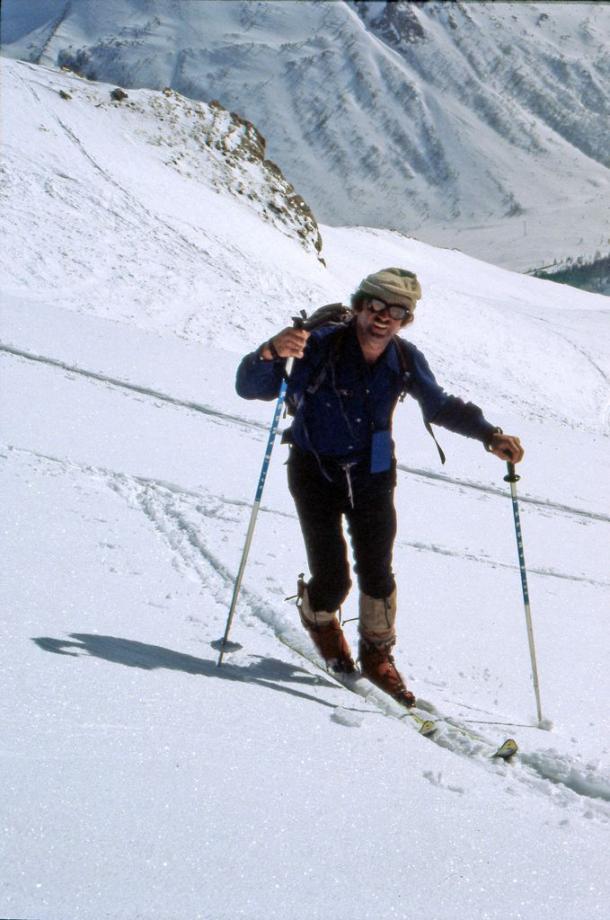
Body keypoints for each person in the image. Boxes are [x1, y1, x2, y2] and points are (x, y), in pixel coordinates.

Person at [235, 268, 524, 707]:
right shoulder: (317, 346)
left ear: (406, 319)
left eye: (398, 311)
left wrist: (490, 435)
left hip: (373, 474)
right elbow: (249, 387)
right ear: (359, 306)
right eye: (376, 306)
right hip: (315, 472)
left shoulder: (404, 358)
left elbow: (440, 405)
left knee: (378, 571)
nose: (385, 317)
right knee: (333, 578)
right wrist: (270, 352)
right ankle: (318, 616)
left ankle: (377, 654)